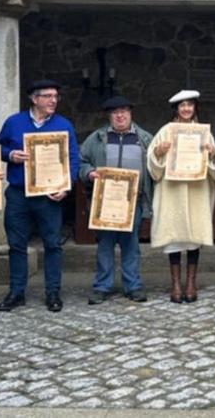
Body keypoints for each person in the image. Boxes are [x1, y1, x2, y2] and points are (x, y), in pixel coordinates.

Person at [0, 80, 80, 313]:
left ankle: (53, 292)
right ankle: (16, 292)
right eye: (48, 96)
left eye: (55, 96)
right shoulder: (14, 122)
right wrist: (10, 154)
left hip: (49, 195)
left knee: (52, 244)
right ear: (34, 99)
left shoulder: (64, 125)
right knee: (16, 245)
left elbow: (73, 157)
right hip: (18, 194)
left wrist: (67, 186)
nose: (53, 100)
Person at [147, 90, 215, 303]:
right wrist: (158, 153)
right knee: (175, 238)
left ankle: (191, 283)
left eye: (190, 105)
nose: (186, 109)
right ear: (176, 109)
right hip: (172, 192)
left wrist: (213, 154)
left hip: (196, 191)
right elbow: (153, 166)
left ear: (195, 108)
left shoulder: (204, 133)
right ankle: (175, 284)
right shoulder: (165, 132)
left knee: (193, 239)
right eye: (182, 105)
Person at [80, 96, 154, 304]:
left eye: (124, 111)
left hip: (134, 201)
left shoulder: (145, 138)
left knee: (131, 244)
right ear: (109, 116)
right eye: (115, 112)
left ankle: (133, 286)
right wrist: (89, 173)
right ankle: (102, 287)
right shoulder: (97, 138)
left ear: (131, 113)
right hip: (104, 201)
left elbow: (156, 167)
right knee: (105, 244)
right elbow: (81, 161)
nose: (120, 116)